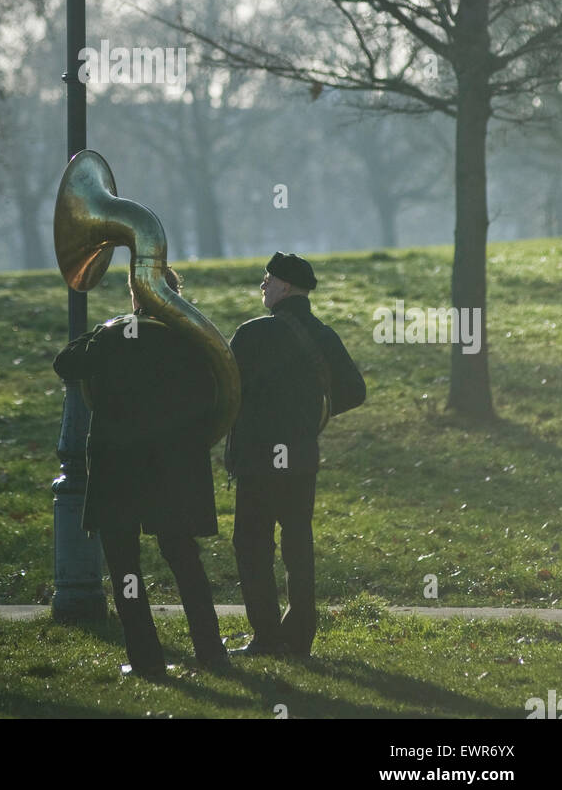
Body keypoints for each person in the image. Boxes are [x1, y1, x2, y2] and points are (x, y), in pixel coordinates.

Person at [53, 267, 229, 678]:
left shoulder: (116, 334)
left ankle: (147, 661)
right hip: (174, 467)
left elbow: (66, 363)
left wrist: (101, 328)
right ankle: (210, 651)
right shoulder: (195, 338)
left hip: (120, 468)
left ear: (137, 294)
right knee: (184, 559)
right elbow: (212, 399)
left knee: (125, 565)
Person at [226, 251, 365, 659]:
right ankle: (300, 636)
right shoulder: (323, 334)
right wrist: (311, 415)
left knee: (252, 546)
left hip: (255, 458)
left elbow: (227, 392)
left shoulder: (251, 334)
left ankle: (267, 637)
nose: (263, 286)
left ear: (285, 287)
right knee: (297, 545)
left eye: (268, 280)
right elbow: (354, 391)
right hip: (301, 457)